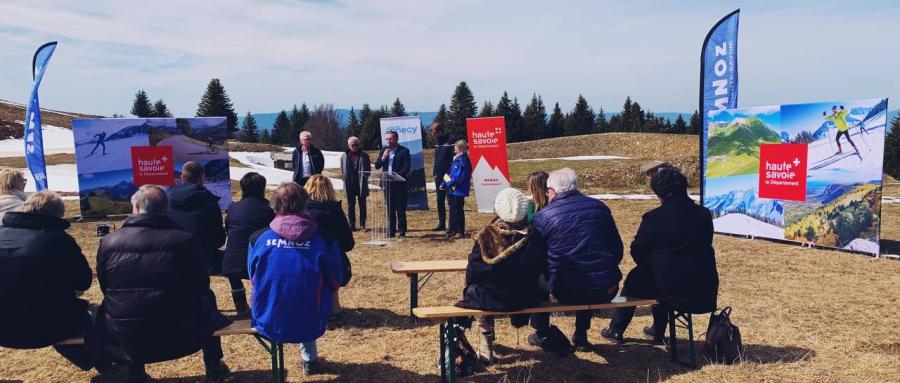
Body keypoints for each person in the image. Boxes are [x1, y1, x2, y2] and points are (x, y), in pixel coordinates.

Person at [89, 185, 231, 383]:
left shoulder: (109, 242)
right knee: (209, 297)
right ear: (166, 209)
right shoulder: (185, 240)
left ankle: (135, 371)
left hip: (126, 336)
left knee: (123, 301)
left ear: (136, 207)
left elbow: (106, 287)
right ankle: (214, 365)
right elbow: (200, 284)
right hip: (183, 331)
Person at [602, 168, 719, 344]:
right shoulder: (703, 214)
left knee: (638, 279)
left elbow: (637, 249)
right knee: (659, 275)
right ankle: (657, 331)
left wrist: (650, 264)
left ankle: (616, 329)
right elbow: (706, 242)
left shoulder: (655, 218)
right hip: (701, 284)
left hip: (668, 286)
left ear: (659, 192)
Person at [248, 182, 343, 376]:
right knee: (306, 296)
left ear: (274, 205)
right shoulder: (324, 238)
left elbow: (252, 275)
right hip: (312, 317)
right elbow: (335, 278)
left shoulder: (258, 238)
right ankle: (310, 359)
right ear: (305, 204)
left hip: (267, 316)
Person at [0, 191, 101, 372]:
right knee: (89, 319)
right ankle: (96, 362)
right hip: (50, 327)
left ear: (25, 208)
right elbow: (84, 281)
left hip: (4, 326)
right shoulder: (59, 240)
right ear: (57, 215)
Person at [528, 168, 623, 351]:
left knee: (538, 277)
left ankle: (541, 331)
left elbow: (535, 259)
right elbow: (617, 250)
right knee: (586, 272)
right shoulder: (600, 208)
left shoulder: (543, 217)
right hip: (606, 288)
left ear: (552, 191)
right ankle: (581, 333)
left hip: (567, 291)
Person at [455, 188, 546, 364]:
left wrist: (469, 289)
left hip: (492, 299)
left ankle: (486, 340)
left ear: (498, 210)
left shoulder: (486, 236)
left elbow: (473, 271)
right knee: (484, 288)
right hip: (526, 297)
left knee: (478, 289)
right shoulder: (536, 237)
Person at [222, 172, 275, 315]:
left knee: (234, 269)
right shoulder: (268, 211)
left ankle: (240, 305)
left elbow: (227, 228)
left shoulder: (233, 208)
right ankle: (263, 306)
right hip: (258, 262)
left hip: (232, 262)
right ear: (262, 189)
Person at [304, 175, 354, 315]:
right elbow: (348, 244)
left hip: (303, 259)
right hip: (331, 262)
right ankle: (333, 308)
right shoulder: (335, 211)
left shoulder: (300, 211)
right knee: (332, 262)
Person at [166, 161, 226, 275]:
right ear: (202, 177)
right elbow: (219, 239)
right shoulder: (209, 201)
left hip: (171, 257)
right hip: (203, 260)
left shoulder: (165, 199)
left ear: (182, 177)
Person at [374, 130, 411, 237]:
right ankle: (391, 231)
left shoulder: (404, 151)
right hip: (387, 184)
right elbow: (377, 165)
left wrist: (395, 176)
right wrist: (383, 157)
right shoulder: (384, 150)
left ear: (396, 139)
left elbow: (406, 168)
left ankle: (402, 230)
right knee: (390, 208)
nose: (389, 141)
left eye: (391, 139)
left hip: (399, 184)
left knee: (400, 208)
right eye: (387, 139)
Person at [440, 140, 472, 239]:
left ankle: (460, 231)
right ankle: (453, 230)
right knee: (453, 210)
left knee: (458, 211)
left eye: (456, 148)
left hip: (459, 190)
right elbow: (450, 173)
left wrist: (449, 183)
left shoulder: (464, 161)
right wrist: (444, 183)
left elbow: (459, 177)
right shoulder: (456, 159)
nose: (454, 150)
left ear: (461, 149)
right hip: (452, 189)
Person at [340, 136, 372, 231]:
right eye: (353, 145)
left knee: (362, 205)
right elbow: (342, 170)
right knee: (350, 205)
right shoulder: (343, 156)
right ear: (349, 145)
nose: (355, 146)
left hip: (361, 184)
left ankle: (362, 225)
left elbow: (368, 170)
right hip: (349, 184)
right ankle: (352, 224)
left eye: (357, 144)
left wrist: (364, 178)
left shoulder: (364, 155)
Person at [431, 123, 453, 231]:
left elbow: (453, 160)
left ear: (439, 131)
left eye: (433, 132)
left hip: (448, 177)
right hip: (438, 176)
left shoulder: (450, 141)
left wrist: (449, 175)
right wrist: (435, 172)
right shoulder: (436, 142)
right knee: (440, 200)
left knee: (450, 200)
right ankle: (441, 223)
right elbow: (437, 160)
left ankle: (451, 225)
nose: (432, 135)